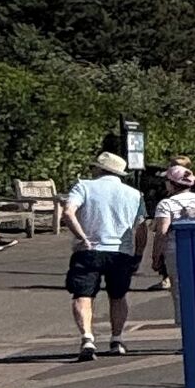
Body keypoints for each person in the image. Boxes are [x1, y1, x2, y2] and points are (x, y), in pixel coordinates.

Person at [62, 152, 147, 358]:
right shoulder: (134, 194)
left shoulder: (84, 187)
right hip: (121, 251)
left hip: (89, 250)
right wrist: (138, 253)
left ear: (99, 169)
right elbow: (141, 227)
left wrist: (81, 236)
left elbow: (67, 212)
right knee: (118, 296)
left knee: (83, 294)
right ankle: (116, 339)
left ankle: (87, 338)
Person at [149, 159, 195, 282]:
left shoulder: (167, 204)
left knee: (181, 291)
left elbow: (162, 233)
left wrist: (156, 258)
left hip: (178, 251)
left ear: (171, 183)